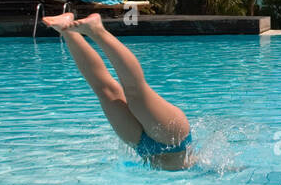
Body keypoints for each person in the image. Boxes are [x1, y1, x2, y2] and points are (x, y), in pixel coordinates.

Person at [43, 12, 193, 170]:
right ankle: (97, 30)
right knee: (136, 92)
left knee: (105, 90)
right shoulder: (201, 171)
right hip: (174, 140)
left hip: (141, 145)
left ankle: (65, 29)